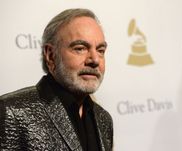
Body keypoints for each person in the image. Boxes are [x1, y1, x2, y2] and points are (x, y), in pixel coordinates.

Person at [0, 8, 113, 151]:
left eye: (100, 50)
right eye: (80, 48)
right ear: (51, 55)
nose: (95, 60)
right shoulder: (11, 112)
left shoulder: (104, 119)